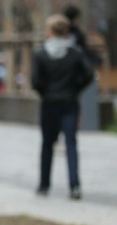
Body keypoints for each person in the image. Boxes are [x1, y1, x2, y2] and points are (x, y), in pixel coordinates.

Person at [31, 14, 95, 200]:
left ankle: (44, 185)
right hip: (69, 102)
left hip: (49, 103)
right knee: (71, 144)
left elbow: (35, 81)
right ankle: (74, 185)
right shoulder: (75, 53)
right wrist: (76, 89)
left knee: (47, 144)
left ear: (49, 31)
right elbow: (89, 75)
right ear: (66, 31)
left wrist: (45, 92)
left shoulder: (41, 54)